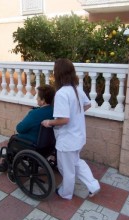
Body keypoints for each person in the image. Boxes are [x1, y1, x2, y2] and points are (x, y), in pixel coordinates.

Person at [41, 58, 100, 200]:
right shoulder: (77, 89)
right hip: (79, 136)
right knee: (76, 162)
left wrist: (49, 122)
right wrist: (76, 114)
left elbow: (64, 120)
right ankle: (93, 185)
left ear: (58, 74)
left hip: (67, 139)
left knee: (66, 169)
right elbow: (87, 104)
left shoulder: (61, 93)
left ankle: (65, 193)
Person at [0, 84, 55, 173]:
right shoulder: (54, 111)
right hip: (49, 146)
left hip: (35, 146)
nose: (36, 98)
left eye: (38, 97)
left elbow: (20, 128)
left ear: (43, 101)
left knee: (13, 139)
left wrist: (31, 114)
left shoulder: (34, 114)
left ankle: (6, 163)